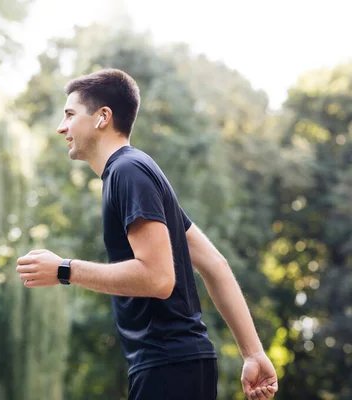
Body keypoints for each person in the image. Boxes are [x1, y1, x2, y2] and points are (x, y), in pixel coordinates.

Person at [15, 68, 278, 400]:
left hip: (168, 366)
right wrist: (253, 354)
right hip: (179, 364)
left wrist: (64, 270)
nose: (61, 127)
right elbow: (215, 264)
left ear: (102, 117)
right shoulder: (136, 170)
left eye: (69, 114)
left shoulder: (128, 172)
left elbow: (157, 278)